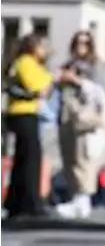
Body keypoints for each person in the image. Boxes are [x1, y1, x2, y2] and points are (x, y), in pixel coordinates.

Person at [54, 30, 105, 219]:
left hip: (86, 117)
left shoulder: (97, 66)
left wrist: (76, 80)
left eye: (85, 43)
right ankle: (75, 198)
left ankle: (83, 199)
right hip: (67, 115)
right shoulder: (67, 65)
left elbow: (100, 93)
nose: (81, 47)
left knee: (83, 159)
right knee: (69, 158)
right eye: (78, 43)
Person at [3, 33, 54, 219]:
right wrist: (52, 78)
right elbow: (37, 86)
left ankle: (16, 202)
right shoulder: (26, 62)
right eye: (43, 46)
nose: (45, 50)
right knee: (32, 158)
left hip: (24, 113)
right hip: (23, 112)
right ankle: (31, 203)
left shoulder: (30, 64)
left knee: (23, 158)